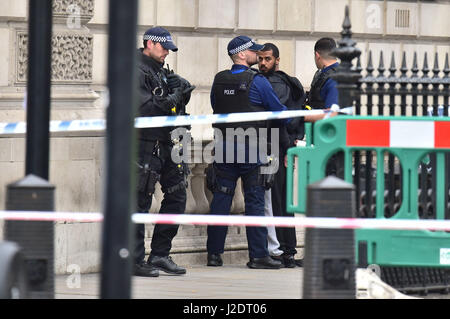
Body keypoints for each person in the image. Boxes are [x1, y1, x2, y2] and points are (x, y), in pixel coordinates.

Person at [206, 35, 291, 269]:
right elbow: (279, 111)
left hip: (224, 147)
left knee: (220, 200)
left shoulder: (219, 79)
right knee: (254, 202)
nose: (257, 54)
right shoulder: (258, 81)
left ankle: (214, 254)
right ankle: (258, 256)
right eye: (253, 51)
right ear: (242, 54)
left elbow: (216, 106)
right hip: (252, 150)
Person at [134, 27, 195, 277]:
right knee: (140, 202)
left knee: (178, 196)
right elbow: (146, 109)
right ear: (149, 43)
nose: (167, 52)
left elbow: (175, 101)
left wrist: (181, 91)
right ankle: (134, 259)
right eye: (163, 47)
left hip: (168, 143)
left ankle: (160, 253)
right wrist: (171, 97)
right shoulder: (135, 69)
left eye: (169, 48)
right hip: (145, 145)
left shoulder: (160, 70)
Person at [257, 43, 306, 268]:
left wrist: (286, 149)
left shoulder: (275, 84)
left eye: (267, 59)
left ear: (277, 60)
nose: (263, 63)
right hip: (280, 146)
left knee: (277, 200)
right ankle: (288, 250)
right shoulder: (287, 81)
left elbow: (278, 120)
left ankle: (285, 250)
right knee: (281, 199)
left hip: (277, 147)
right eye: (261, 59)